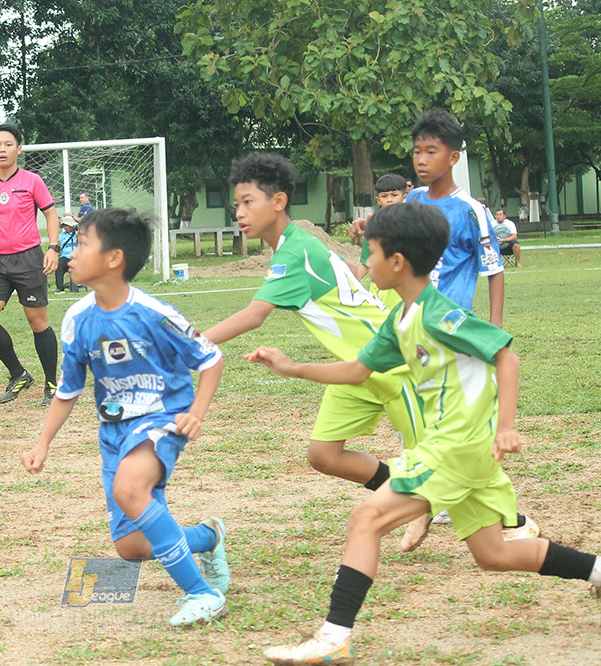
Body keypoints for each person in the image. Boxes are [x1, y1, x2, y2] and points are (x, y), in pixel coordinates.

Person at [250, 202, 601, 664]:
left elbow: (505, 355)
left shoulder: (439, 315)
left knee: (365, 520)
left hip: (456, 448)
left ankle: (334, 637)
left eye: (370, 253)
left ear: (397, 262)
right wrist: (294, 368)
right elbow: (357, 369)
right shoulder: (400, 319)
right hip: (462, 452)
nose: (365, 264)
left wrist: (508, 427)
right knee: (493, 554)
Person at [204, 153, 429, 547]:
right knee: (324, 455)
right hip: (354, 367)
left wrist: (185, 344)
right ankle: (407, 491)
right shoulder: (295, 246)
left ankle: (513, 523)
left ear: (278, 202)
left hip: (391, 362)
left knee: (440, 463)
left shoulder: (294, 253)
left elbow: (254, 315)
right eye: (235, 204)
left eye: (247, 202)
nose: (239, 212)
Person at [22, 207, 230, 626]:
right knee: (131, 546)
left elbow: (211, 358)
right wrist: (42, 443)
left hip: (161, 418)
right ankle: (208, 537)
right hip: (113, 430)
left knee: (130, 488)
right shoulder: (78, 318)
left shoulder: (154, 313)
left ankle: (202, 594)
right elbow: (68, 390)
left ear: (114, 258)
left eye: (81, 244)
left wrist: (196, 414)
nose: (72, 254)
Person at [352, 108, 504, 326]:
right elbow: (394, 226)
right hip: (412, 319)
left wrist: (495, 325)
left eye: (431, 152)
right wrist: (367, 224)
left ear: (453, 157)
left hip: (451, 322)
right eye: (417, 152)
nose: (421, 160)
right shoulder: (414, 198)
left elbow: (495, 270)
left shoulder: (471, 211)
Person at [0, 122, 62, 406]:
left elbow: (52, 216)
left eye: (8, 144)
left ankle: (52, 383)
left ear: (18, 149)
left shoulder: (32, 181)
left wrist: (53, 248)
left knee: (38, 322)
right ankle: (18, 373)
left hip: (29, 258)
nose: (2, 149)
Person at [348, 173, 408, 308]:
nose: (390, 200)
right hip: (380, 290)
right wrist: (351, 282)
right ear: (378, 200)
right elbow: (366, 262)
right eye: (384, 196)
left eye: (394, 195)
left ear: (404, 196)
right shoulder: (373, 227)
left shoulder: (413, 223)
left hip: (404, 291)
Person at [53, 217, 79, 294]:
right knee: (59, 265)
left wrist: (78, 235)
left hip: (76, 258)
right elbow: (58, 247)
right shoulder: (62, 235)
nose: (66, 227)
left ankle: (75, 286)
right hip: (65, 257)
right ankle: (60, 288)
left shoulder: (79, 235)